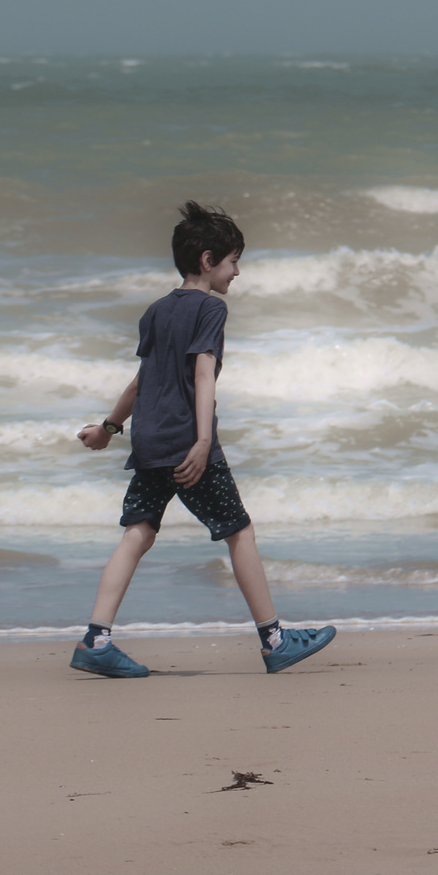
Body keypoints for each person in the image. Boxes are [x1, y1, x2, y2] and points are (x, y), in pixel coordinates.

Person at [69, 201, 334, 677]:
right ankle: (275, 640)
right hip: (188, 441)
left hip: (149, 440)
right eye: (233, 262)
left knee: (139, 532)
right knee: (240, 531)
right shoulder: (212, 307)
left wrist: (108, 429)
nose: (237, 273)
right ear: (208, 261)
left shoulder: (155, 311)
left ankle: (96, 638)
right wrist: (201, 441)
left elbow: (140, 382)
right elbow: (204, 371)